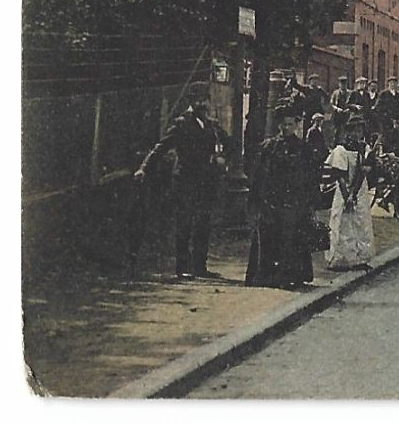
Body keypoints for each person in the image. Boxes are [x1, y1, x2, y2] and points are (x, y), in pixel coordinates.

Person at [134, 97, 225, 279]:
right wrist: (144, 168)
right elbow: (160, 147)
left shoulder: (210, 125)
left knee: (203, 223)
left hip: (205, 181)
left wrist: (222, 159)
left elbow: (230, 144)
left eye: (206, 101)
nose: (206, 105)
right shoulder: (182, 124)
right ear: (194, 104)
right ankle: (182, 267)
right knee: (185, 223)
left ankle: (200, 266)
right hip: (185, 180)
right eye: (202, 102)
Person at [245, 112, 317, 288]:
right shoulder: (270, 147)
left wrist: (311, 202)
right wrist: (257, 199)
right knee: (270, 237)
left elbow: (311, 177)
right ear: (279, 126)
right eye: (284, 124)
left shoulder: (303, 148)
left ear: (296, 125)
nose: (287, 128)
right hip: (272, 199)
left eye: (290, 124)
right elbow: (259, 175)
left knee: (291, 238)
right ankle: (266, 277)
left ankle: (291, 277)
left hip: (294, 200)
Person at [325, 124, 376, 269]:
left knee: (360, 220)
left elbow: (364, 171)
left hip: (359, 190)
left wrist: (354, 194)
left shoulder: (364, 149)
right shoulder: (341, 150)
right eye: (353, 131)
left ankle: (360, 258)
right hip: (344, 188)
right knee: (343, 221)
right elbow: (339, 175)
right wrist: (347, 195)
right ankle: (341, 259)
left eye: (359, 131)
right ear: (347, 132)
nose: (356, 134)